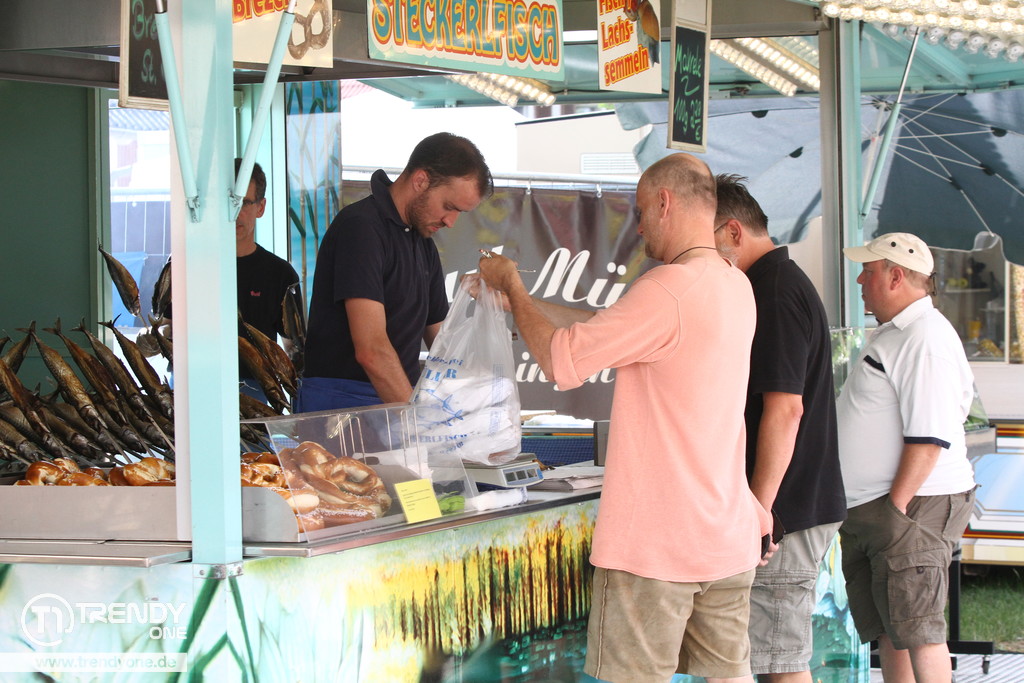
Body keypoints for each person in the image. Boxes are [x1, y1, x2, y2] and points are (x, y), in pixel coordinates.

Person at [477, 153, 771, 683]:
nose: (638, 228)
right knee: (731, 676)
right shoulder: (735, 285)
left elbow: (561, 360)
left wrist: (513, 286)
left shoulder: (666, 289)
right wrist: (523, 306)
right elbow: (607, 326)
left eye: (639, 212)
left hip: (656, 543)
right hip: (725, 536)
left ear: (665, 203)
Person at [713, 175, 847, 683]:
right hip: (789, 507)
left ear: (733, 232)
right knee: (773, 658)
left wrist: (760, 510)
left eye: (705, 244)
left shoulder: (773, 291)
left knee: (778, 662)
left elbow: (786, 408)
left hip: (784, 511)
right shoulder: (777, 283)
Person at [837, 232, 977, 683]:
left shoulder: (925, 337)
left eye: (868, 271)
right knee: (894, 632)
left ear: (896, 276)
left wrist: (895, 509)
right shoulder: (900, 332)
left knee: (919, 630)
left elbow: (929, 438)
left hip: (912, 505)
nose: (859, 281)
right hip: (885, 509)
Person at [296, 132, 492, 413]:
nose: (450, 222)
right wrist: (417, 422)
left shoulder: (423, 243)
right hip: (341, 406)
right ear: (421, 181)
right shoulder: (361, 228)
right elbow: (371, 351)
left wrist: (490, 311)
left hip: (394, 401)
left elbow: (442, 343)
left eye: (460, 212)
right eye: (449, 207)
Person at [166, 159, 302, 403]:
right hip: (192, 388)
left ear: (261, 207)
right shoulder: (185, 265)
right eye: (228, 203)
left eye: (244, 203)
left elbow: (294, 348)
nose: (235, 213)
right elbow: (162, 330)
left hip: (256, 392)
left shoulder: (280, 274)